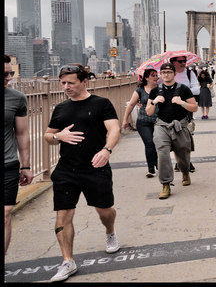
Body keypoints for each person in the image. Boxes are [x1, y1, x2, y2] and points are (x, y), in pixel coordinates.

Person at [43, 64, 121, 282]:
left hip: (95, 167)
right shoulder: (60, 108)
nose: (66, 87)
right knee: (63, 215)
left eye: (71, 82)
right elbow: (48, 136)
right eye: (63, 83)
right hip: (66, 169)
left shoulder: (101, 104)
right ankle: (68, 261)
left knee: (104, 211)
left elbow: (114, 129)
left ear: (84, 81)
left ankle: (110, 232)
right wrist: (59, 137)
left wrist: (106, 150)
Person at [145, 63, 198, 200]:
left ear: (175, 73)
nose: (166, 74)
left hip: (180, 125)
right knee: (162, 154)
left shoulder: (183, 89)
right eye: (163, 72)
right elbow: (149, 112)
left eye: (169, 72)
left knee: (183, 153)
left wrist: (182, 103)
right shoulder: (155, 91)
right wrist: (154, 102)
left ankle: (185, 172)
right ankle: (166, 184)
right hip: (162, 125)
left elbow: (194, 107)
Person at [5, 55, 34, 257]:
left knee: (5, 214)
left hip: (8, 164)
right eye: (4, 74)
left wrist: (26, 166)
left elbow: (22, 133)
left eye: (11, 73)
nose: (9, 78)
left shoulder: (17, 98)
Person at [121, 69, 159, 178]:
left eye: (156, 75)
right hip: (143, 122)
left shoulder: (160, 89)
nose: (156, 77)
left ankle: (158, 164)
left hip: (158, 121)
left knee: (158, 144)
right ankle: (151, 169)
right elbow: (131, 105)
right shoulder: (140, 90)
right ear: (146, 78)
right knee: (149, 143)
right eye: (153, 75)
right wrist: (125, 119)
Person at [170, 56, 200, 172]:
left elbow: (197, 89)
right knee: (175, 138)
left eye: (184, 61)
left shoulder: (189, 73)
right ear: (173, 62)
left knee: (187, 138)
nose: (183, 63)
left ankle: (187, 161)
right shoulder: (168, 75)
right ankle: (179, 162)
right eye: (180, 61)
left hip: (187, 109)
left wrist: (182, 93)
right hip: (171, 110)